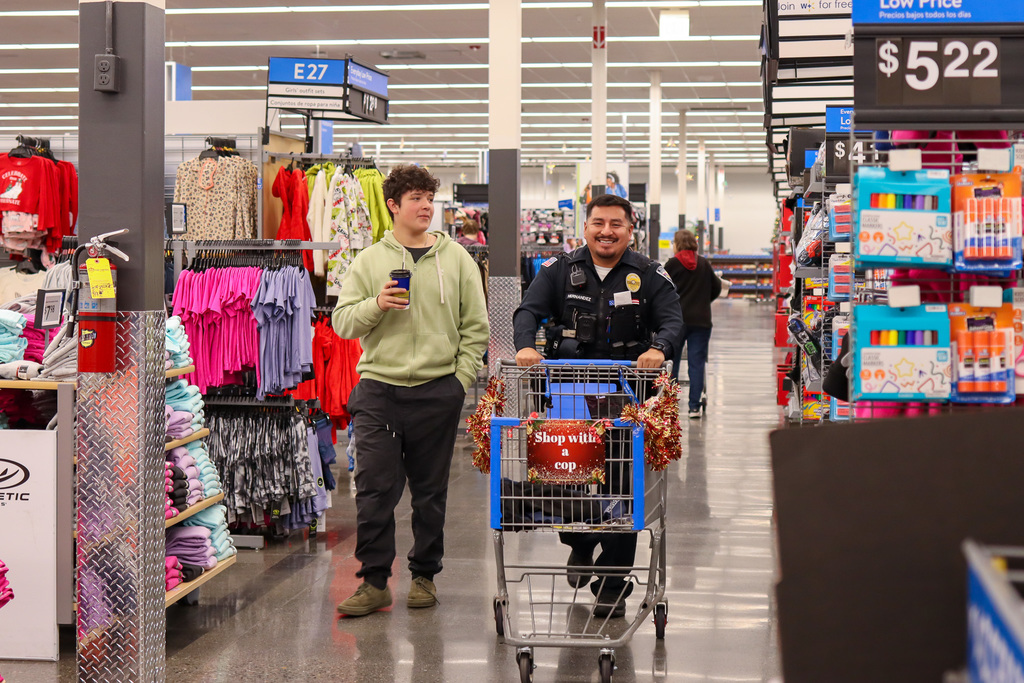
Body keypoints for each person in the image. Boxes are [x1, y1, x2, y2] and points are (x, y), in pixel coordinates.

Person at [512, 193, 683, 618]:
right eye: (598, 223)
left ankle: (612, 584)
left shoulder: (649, 274)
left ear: (631, 230)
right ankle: (581, 542)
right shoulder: (557, 270)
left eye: (616, 224)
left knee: (621, 491)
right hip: (568, 396)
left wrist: (660, 348)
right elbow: (527, 312)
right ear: (585, 227)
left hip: (627, 399)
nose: (606, 231)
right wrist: (525, 348)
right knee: (564, 479)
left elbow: (673, 321)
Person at [332, 164, 490, 617]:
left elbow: (475, 328)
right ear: (393, 206)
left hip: (437, 392)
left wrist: (458, 384)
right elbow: (343, 323)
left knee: (429, 491)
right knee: (374, 489)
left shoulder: (457, 258)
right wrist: (376, 305)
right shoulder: (369, 260)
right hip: (379, 388)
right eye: (415, 198)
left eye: (429, 198)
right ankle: (375, 581)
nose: (425, 206)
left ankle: (424, 576)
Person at [663, 229, 722, 419]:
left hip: (676, 322)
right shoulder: (704, 263)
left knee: (673, 363)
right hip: (701, 321)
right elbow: (717, 287)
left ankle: (669, 405)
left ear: (677, 244)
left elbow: (661, 288)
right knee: (696, 364)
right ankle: (694, 407)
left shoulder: (672, 264)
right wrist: (704, 302)